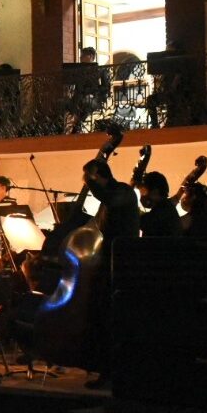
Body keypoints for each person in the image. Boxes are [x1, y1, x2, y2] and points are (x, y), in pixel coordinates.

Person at [81, 158, 140, 388]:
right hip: (110, 258)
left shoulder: (122, 191)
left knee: (112, 318)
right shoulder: (112, 195)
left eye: (89, 177)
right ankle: (104, 370)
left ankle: (113, 374)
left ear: (99, 175)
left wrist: (90, 181)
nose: (85, 182)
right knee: (103, 316)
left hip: (122, 262)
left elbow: (109, 200)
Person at [138, 171, 181, 237]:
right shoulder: (166, 208)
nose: (141, 196)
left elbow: (139, 221)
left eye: (143, 191)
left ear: (155, 192)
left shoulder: (162, 212)